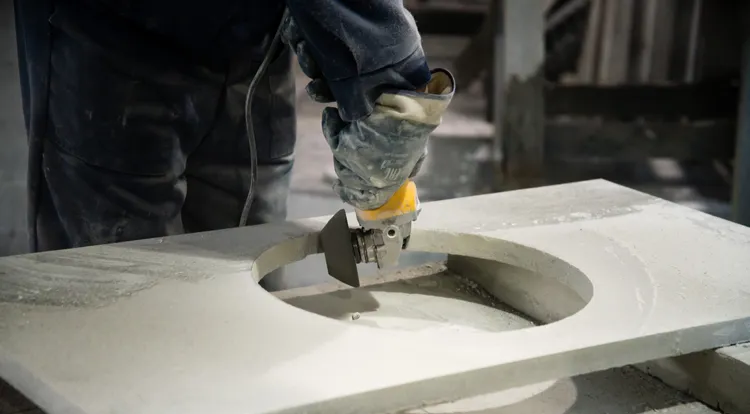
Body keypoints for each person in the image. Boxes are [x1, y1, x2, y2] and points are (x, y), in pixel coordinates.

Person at [13, 0, 454, 256]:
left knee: (250, 265)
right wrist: (389, 75)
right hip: (107, 29)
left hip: (250, 40)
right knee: (119, 277)